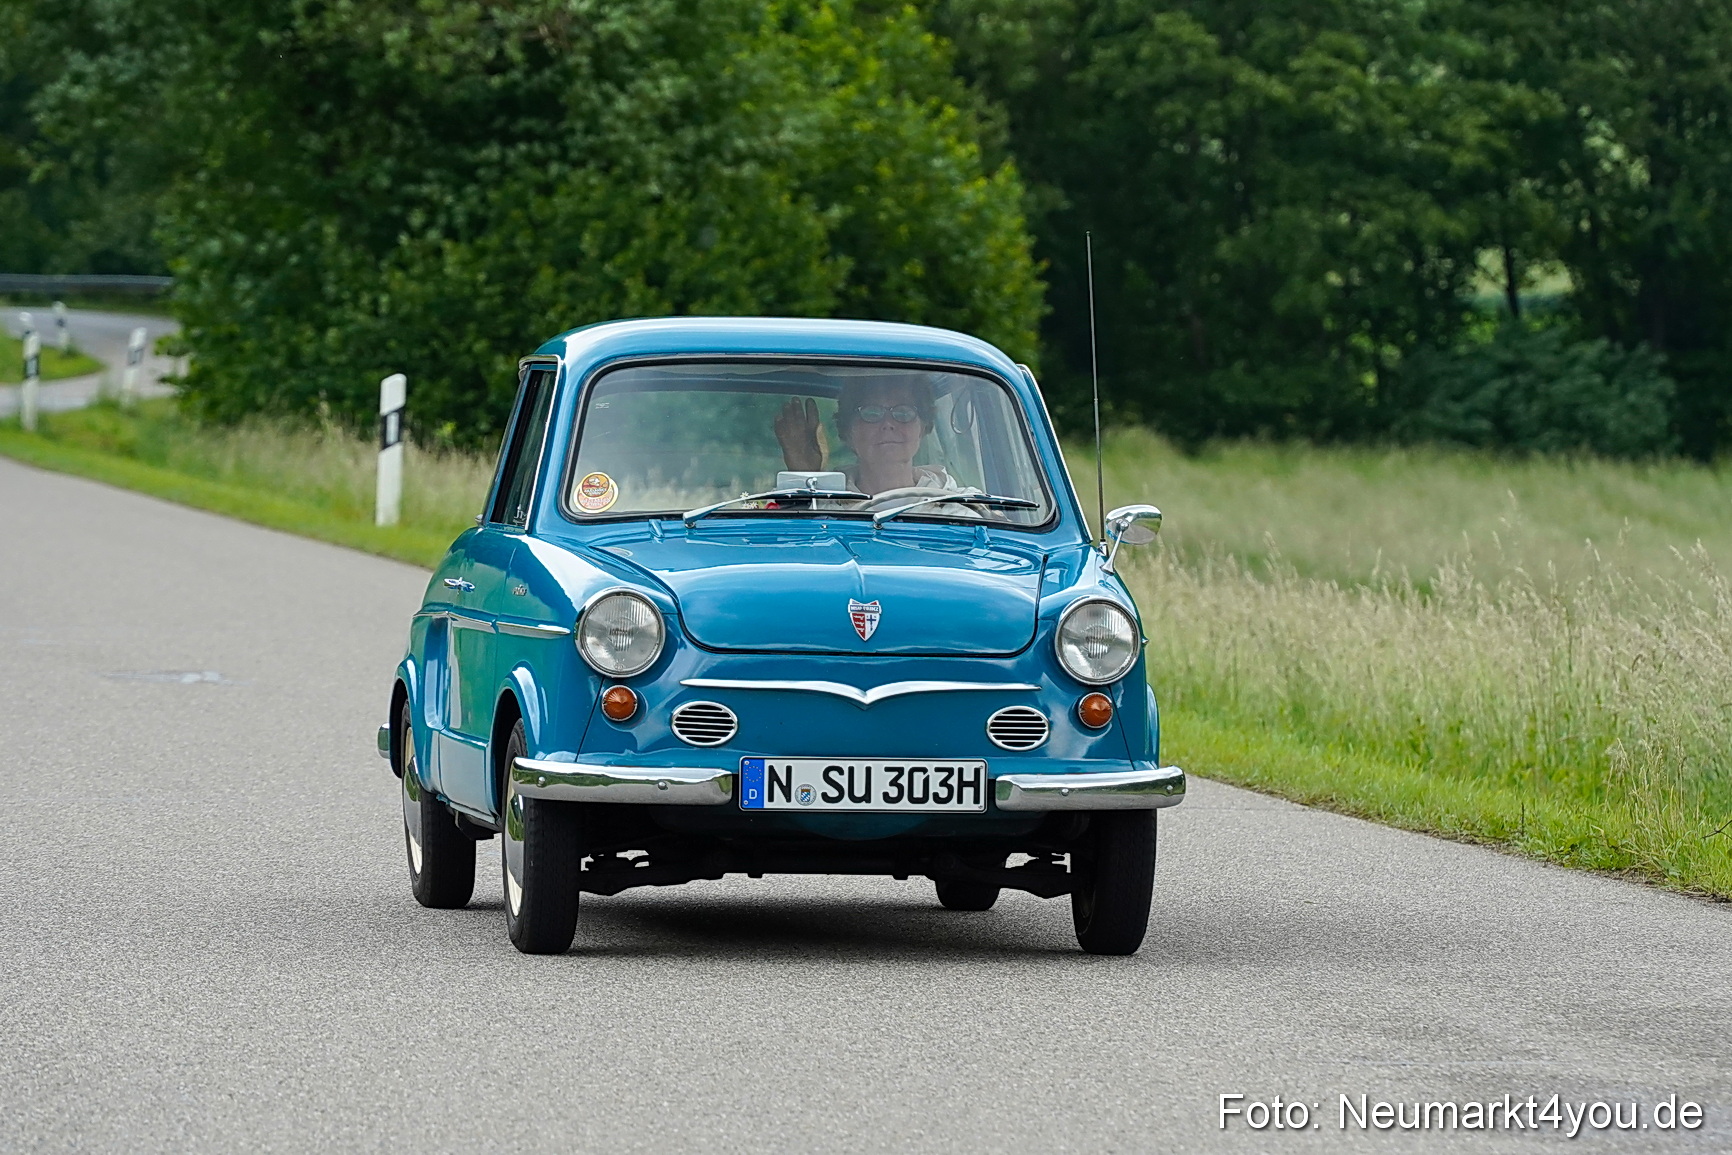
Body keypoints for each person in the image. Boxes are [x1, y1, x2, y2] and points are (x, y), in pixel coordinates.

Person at [774, 377, 959, 495]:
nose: (888, 424)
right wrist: (804, 476)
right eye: (871, 413)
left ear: (924, 427)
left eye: (903, 413)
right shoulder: (825, 503)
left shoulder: (960, 507)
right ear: (848, 430)